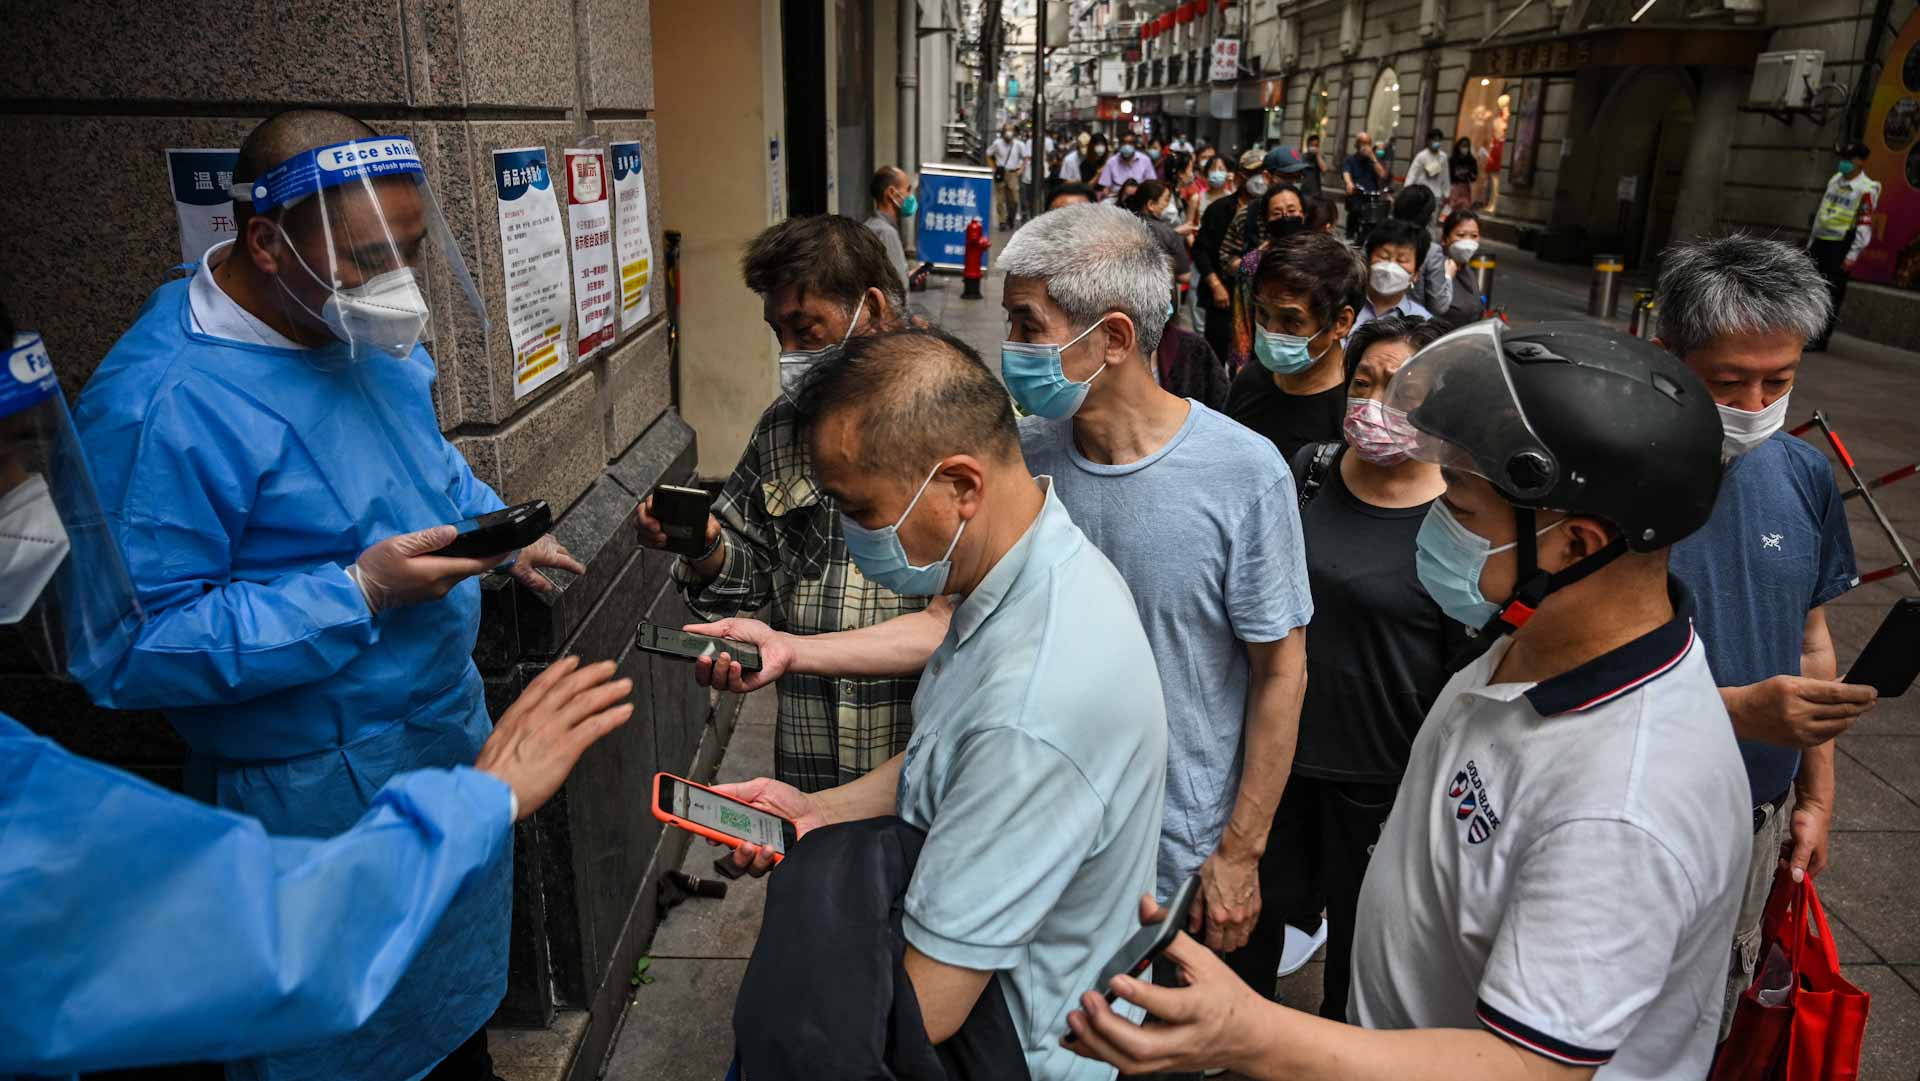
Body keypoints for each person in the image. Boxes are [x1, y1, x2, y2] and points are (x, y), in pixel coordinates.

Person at [1064, 321, 1753, 1081]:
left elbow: (1528, 1069)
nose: (1435, 519)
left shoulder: (1620, 808)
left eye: (1461, 504)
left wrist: (1249, 1033)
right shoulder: (1529, 639)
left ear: (1575, 545)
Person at [72, 109, 585, 1081]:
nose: (397, 284)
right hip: (311, 804)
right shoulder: (163, 404)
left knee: (449, 1026)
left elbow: (415, 462)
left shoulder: (346, 323)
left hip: (443, 745)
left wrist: (491, 526)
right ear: (266, 242)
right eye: (368, 258)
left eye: (413, 250)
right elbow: (127, 646)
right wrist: (356, 593)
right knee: (340, 1042)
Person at [688, 327, 1170, 1081]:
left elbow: (924, 1009)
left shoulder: (1033, 708)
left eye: (861, 510)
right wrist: (814, 812)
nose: (851, 538)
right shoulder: (1023, 574)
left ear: (961, 487)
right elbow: (945, 759)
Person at [1000, 203, 1310, 980]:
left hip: (1177, 865)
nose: (1010, 348)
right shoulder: (1021, 463)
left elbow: (1281, 671)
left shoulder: (1244, 473)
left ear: (1112, 337)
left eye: (1027, 326)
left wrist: (1240, 850)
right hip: (1041, 847)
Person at [1654, 235, 1878, 1038]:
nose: (1755, 402)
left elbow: (1810, 639)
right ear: (1670, 356)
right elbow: (1559, 665)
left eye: (1778, 380)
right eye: (1729, 381)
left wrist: (1814, 798)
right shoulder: (1615, 473)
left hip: (1754, 815)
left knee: (1713, 1008)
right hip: (1634, 805)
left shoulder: (1803, 474)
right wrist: (1736, 708)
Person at [633, 215, 925, 793]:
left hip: (919, 762)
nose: (788, 354)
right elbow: (755, 578)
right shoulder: (781, 430)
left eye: (805, 329)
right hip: (811, 760)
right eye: (777, 334)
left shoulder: (956, 421)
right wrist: (707, 546)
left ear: (870, 308)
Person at [1233, 314, 1472, 1017]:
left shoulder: (1462, 512)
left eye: (1400, 388)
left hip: (1381, 777)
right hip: (1279, 755)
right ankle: (1237, 1036)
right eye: (1362, 382)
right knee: (1247, 920)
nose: (1373, 402)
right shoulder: (1310, 470)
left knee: (1362, 951)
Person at [1226, 232, 1365, 460]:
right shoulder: (1250, 380)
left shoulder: (1352, 417)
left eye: (1291, 320)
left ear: (1341, 322)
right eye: (1263, 313)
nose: (1271, 331)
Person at [1224, 185, 1311, 371]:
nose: (1285, 217)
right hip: (1264, 356)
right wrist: (1241, 362)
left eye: (1292, 211)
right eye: (1277, 213)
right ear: (1266, 220)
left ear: (1303, 214)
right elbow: (1242, 316)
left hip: (1309, 354)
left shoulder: (1321, 257)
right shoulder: (1253, 263)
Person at [1805, 142, 1880, 351]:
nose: (1844, 162)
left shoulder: (1867, 189)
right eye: (1843, 158)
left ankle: (1820, 338)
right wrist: (1812, 240)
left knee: (1831, 293)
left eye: (1850, 159)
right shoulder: (1835, 180)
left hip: (1840, 245)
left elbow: (1864, 224)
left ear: (1861, 162)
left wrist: (1852, 255)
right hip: (1820, 241)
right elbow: (1822, 211)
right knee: (1810, 288)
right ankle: (1806, 332)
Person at [1192, 150, 1265, 361]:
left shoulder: (1269, 212)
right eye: (1253, 173)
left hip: (1256, 299)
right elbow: (1201, 250)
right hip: (1223, 295)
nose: (1260, 179)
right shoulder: (1219, 209)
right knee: (1216, 353)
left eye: (1264, 173)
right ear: (1240, 176)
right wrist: (1215, 285)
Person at [1350, 219, 1433, 339]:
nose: (1390, 268)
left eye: (1402, 260)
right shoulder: (1343, 301)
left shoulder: (1422, 323)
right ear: (1367, 261)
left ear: (1415, 274)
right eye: (1383, 256)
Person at [1122, 179, 1193, 292]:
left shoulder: (1121, 225)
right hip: (1158, 294)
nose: (1168, 205)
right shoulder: (1167, 233)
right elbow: (1185, 276)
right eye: (1166, 200)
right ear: (1151, 204)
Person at [1391, 184, 1452, 312]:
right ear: (1428, 216)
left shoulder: (1375, 239)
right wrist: (1448, 276)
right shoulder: (1431, 251)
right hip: (1410, 320)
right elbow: (1439, 306)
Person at [867, 165, 914, 285]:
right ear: (892, 192)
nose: (911, 196)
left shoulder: (870, 225)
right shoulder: (886, 233)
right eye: (908, 189)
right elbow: (898, 287)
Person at [1438, 209, 1486, 324]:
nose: (1468, 242)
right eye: (1461, 235)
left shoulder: (1468, 271)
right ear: (1445, 239)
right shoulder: (1435, 270)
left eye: (1474, 236)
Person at [1341, 132, 1390, 240]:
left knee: (1376, 221)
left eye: (1367, 143)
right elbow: (1346, 172)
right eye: (1362, 143)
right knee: (1354, 214)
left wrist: (1373, 158)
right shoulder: (1350, 159)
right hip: (1357, 195)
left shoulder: (1373, 160)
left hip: (1371, 196)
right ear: (1356, 145)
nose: (1365, 146)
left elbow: (1382, 174)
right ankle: (1349, 237)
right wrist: (1349, 183)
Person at [990, 126, 1029, 229]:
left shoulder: (1019, 144)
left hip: (1013, 174)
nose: (1009, 133)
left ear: (1014, 133)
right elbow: (988, 154)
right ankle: (1002, 222)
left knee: (1014, 200)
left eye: (1011, 130)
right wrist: (993, 167)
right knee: (1000, 199)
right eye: (1007, 130)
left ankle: (1010, 219)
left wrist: (1021, 169)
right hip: (1001, 173)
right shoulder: (997, 143)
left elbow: (1025, 158)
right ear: (1003, 132)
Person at [1405, 128, 1449, 211]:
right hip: (1422, 193)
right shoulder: (1421, 156)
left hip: (1436, 193)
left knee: (1433, 216)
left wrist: (1446, 193)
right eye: (1435, 140)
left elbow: (1445, 175)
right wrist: (1406, 190)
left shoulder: (1443, 157)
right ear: (1428, 141)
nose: (1437, 142)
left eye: (1439, 140)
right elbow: (1412, 174)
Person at [1447, 136, 1478, 212]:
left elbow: (1474, 177)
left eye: (1467, 146)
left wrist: (1471, 175)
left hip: (1465, 188)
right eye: (1463, 146)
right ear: (1458, 147)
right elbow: (1449, 175)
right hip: (1454, 187)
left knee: (1464, 210)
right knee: (1452, 210)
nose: (1465, 148)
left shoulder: (1472, 161)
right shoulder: (1452, 160)